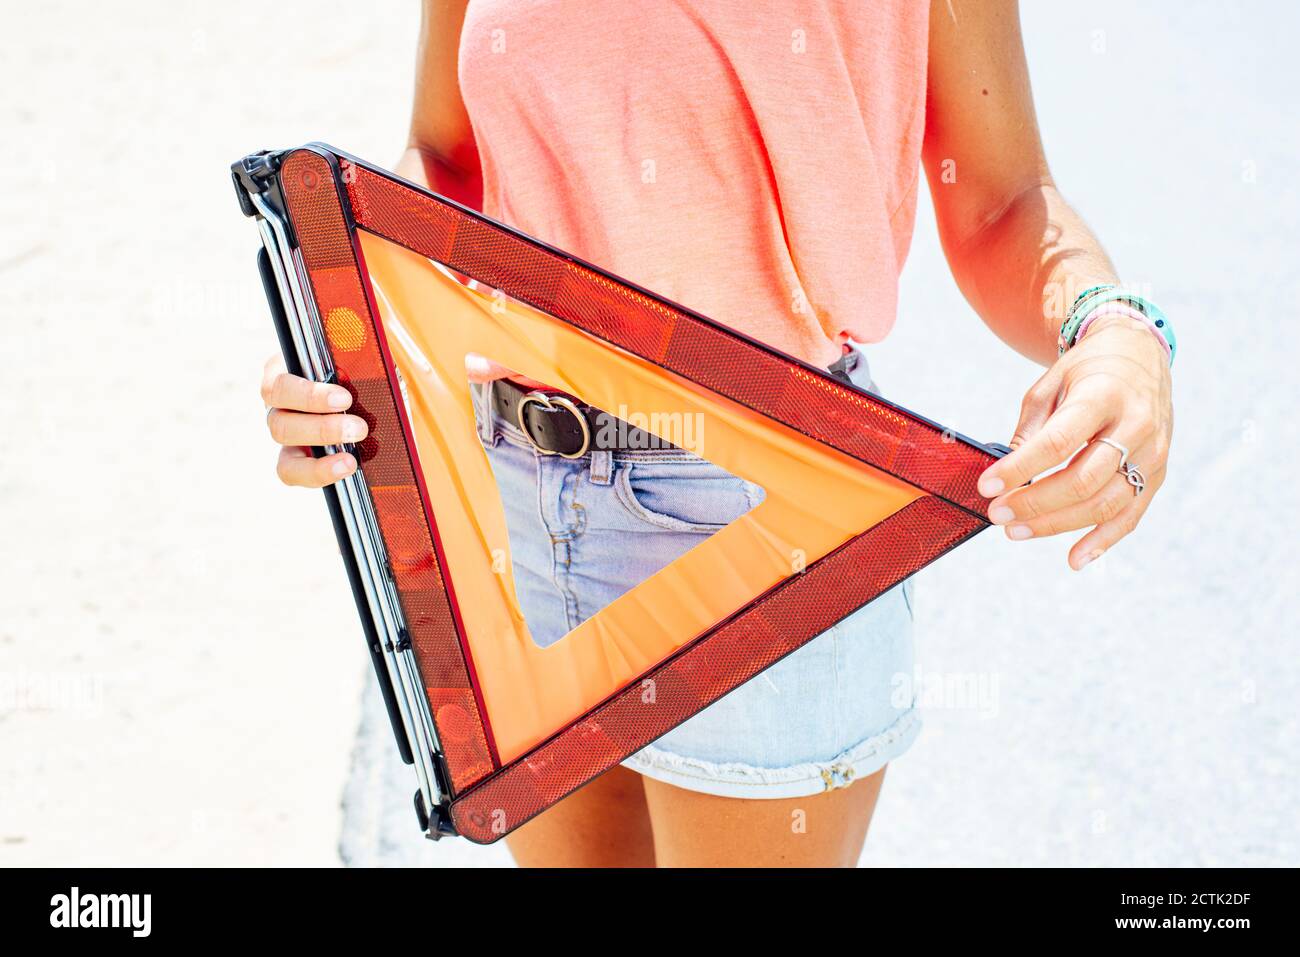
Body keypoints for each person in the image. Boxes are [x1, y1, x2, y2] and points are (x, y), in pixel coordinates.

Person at [260, 0, 1174, 867]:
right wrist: (348, 332)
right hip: (513, 498)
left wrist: (1115, 328)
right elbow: (448, 161)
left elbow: (999, 201)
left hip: (769, 508)